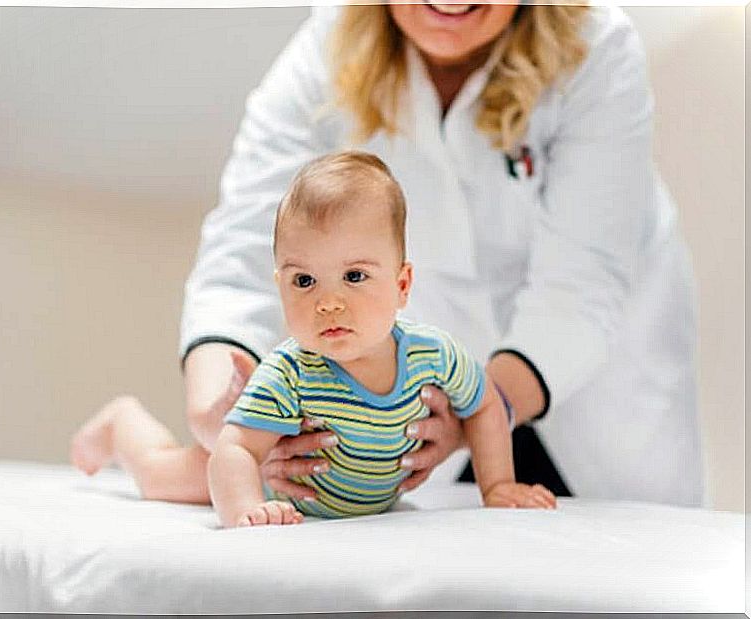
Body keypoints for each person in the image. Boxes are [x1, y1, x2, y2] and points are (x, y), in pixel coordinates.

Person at [177, 2, 705, 507]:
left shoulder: (597, 46)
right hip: (427, 403)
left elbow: (581, 286)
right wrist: (222, 407)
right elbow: (241, 251)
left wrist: (474, 416)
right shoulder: (329, 45)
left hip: (599, 382)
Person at [71, 151, 557, 526]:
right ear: (281, 284)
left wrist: (497, 486)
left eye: (354, 277)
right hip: (278, 483)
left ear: (402, 285)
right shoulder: (289, 372)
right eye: (305, 282)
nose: (328, 302)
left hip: (362, 492)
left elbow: (486, 404)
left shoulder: (434, 356)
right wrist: (246, 509)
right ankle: (121, 424)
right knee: (162, 477)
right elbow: (235, 451)